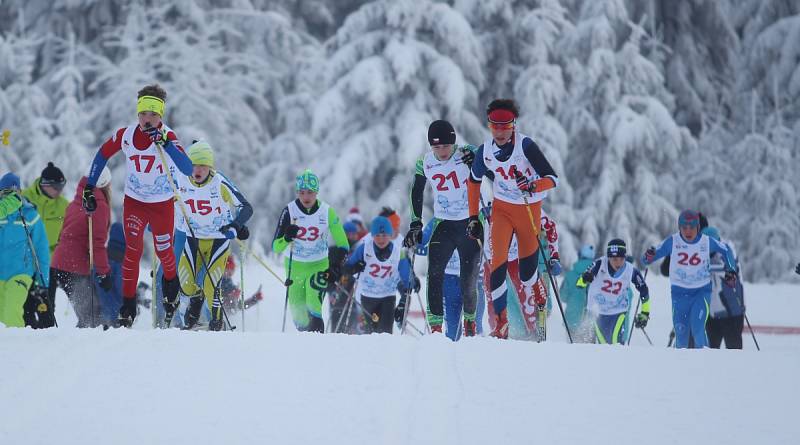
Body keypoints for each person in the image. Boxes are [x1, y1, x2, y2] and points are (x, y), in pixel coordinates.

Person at [82, 84, 193, 327]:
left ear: (160, 115)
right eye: (143, 113)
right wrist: (90, 186)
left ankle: (171, 290)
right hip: (135, 203)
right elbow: (102, 154)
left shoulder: (168, 136)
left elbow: (187, 168)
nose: (147, 119)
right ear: (138, 114)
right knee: (132, 253)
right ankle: (128, 306)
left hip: (162, 204)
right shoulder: (127, 135)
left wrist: (165, 143)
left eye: (153, 114)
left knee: (165, 253)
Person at [466, 99, 558, 339]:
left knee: (527, 276)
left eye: (505, 126)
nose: (499, 132)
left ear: (513, 126)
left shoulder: (526, 146)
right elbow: (473, 181)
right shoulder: (485, 151)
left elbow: (552, 178)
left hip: (528, 210)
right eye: (494, 126)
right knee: (498, 263)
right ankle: (502, 324)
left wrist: (532, 185)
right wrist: (473, 218)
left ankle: (539, 294)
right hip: (502, 210)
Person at [404, 119, 481, 335]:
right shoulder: (425, 162)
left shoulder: (466, 152)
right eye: (436, 147)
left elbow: (491, 172)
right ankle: (436, 325)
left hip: (469, 222)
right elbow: (416, 192)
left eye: (445, 146)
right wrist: (415, 224)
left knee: (468, 277)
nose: (442, 151)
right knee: (434, 273)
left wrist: (476, 162)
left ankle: (470, 323)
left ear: (453, 143)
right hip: (444, 223)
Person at [175, 141, 252, 331]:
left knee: (210, 284)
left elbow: (246, 207)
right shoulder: (181, 180)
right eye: (193, 165)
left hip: (219, 240)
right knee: (185, 285)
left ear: (210, 167)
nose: (197, 170)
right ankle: (196, 300)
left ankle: (217, 323)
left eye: (203, 165)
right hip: (193, 239)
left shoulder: (219, 182)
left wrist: (236, 226)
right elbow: (164, 202)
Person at [642, 210, 737, 349]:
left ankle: (704, 364)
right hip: (679, 294)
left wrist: (731, 270)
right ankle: (680, 367)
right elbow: (647, 259)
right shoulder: (673, 241)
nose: (688, 231)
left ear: (698, 227)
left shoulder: (706, 241)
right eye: (684, 227)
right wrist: (649, 256)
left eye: (692, 227)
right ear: (679, 227)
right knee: (681, 333)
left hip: (701, 292)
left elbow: (726, 250)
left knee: (697, 329)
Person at [271, 169, 349, 332]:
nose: (306, 197)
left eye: (310, 193)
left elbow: (343, 244)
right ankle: (305, 348)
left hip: (318, 265)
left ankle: (318, 342)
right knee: (299, 317)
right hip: (295, 267)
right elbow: (276, 246)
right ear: (298, 192)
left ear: (317, 192)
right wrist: (286, 237)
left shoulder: (327, 211)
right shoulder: (289, 211)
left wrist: (336, 265)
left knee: (314, 301)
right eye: (302, 192)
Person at [49, 169, 113, 328]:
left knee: (90, 315)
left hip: (59, 262)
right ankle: (83, 350)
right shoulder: (98, 205)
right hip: (74, 266)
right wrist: (104, 273)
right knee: (92, 318)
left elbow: (62, 233)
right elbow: (97, 244)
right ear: (105, 184)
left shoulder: (76, 201)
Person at [345, 216, 412, 334]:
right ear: (372, 235)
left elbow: (406, 276)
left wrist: (409, 287)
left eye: (384, 235)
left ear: (390, 235)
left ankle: (385, 352)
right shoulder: (365, 248)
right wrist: (355, 268)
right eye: (377, 235)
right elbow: (347, 267)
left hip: (388, 298)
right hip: (368, 297)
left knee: (385, 332)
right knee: (369, 332)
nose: (381, 239)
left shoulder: (398, 252)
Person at [0, 173, 50, 328]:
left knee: (11, 312)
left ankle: (18, 347)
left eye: (12, 193)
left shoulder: (29, 215)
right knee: (2, 316)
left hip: (21, 273)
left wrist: (43, 282)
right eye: (5, 193)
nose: (8, 197)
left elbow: (41, 250)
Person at [578, 240, 650, 345]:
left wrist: (645, 313)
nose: (618, 263)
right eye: (614, 259)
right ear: (609, 257)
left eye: (621, 259)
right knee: (602, 344)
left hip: (618, 311)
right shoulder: (599, 264)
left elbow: (644, 290)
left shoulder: (630, 270)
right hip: (598, 312)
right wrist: (585, 279)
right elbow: (580, 283)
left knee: (616, 343)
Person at [413, 219, 463, 340]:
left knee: (467, 325)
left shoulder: (472, 217)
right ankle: (444, 350)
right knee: (451, 329)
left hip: (466, 276)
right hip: (445, 277)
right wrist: (418, 237)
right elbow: (422, 247)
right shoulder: (437, 220)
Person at [703, 226, 745, 349]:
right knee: (709, 353)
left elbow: (729, 266)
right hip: (712, 314)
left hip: (732, 312)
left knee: (734, 353)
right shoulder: (703, 255)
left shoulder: (726, 250)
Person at [22, 162, 70, 255]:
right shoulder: (23, 199)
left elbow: (68, 235)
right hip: (24, 259)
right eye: (57, 187)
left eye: (62, 186)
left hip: (50, 262)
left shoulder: (64, 206)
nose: (60, 190)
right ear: (45, 184)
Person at [559, 244, 595, 340]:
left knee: (572, 351)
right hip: (590, 319)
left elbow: (563, 296)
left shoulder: (570, 275)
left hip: (571, 319)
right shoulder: (597, 275)